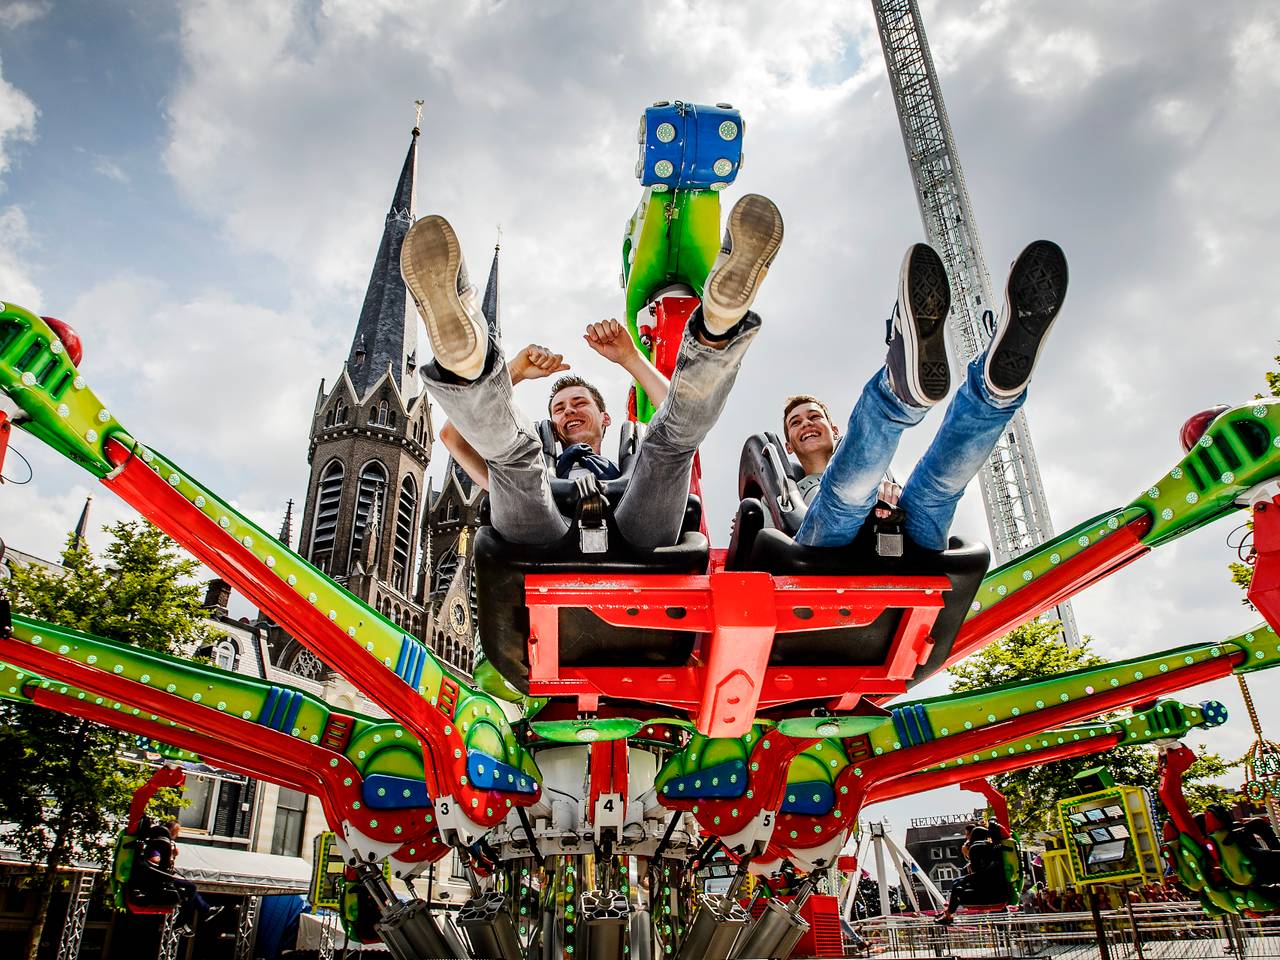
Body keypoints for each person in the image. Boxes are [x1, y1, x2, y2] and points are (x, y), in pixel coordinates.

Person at [403, 193, 784, 550]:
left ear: (604, 418)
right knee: (513, 457)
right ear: (552, 426)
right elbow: (453, 435)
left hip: (637, 535)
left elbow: (677, 413)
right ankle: (467, 361)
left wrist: (632, 358)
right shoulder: (540, 463)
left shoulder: (626, 461)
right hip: (544, 539)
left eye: (578, 403)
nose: (568, 411)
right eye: (559, 408)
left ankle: (717, 325)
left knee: (669, 445)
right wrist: (512, 371)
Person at [782, 240, 1068, 552]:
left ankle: (983, 388)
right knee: (931, 489)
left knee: (930, 488)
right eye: (796, 422)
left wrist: (885, 498)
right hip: (826, 545)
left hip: (901, 539)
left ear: (833, 430)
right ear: (788, 444)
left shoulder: (870, 462)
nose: (807, 423)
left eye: (814, 417)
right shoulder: (788, 491)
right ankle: (989, 398)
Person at [140, 820, 221, 934]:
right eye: (177, 832)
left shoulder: (165, 842)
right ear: (172, 831)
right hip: (159, 880)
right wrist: (170, 854)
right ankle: (188, 920)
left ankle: (202, 911)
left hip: (163, 878)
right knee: (190, 888)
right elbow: (154, 859)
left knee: (188, 891)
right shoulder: (159, 843)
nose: (178, 835)